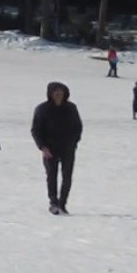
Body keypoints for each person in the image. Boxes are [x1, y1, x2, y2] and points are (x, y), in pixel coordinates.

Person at [31, 81, 83, 215]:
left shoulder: (71, 108)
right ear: (50, 94)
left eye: (61, 92)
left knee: (67, 177)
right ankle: (53, 202)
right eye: (56, 92)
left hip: (68, 148)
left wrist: (74, 142)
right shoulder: (42, 109)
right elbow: (36, 130)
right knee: (51, 176)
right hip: (50, 149)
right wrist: (43, 147)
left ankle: (63, 203)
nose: (58, 95)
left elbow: (78, 127)